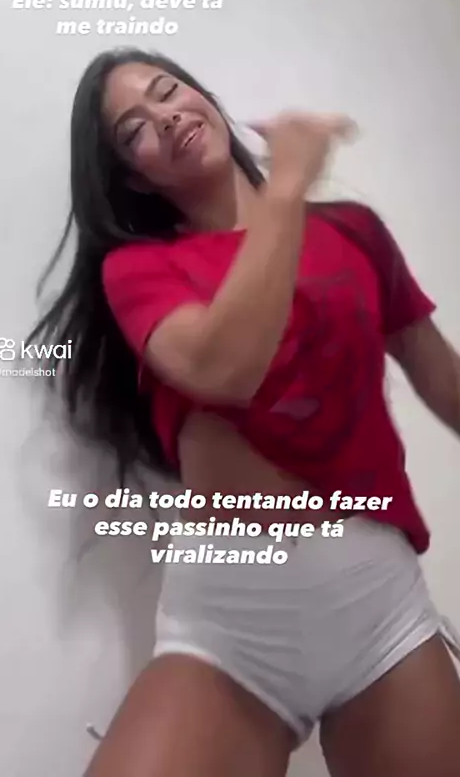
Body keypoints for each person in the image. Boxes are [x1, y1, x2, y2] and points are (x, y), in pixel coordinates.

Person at [28, 47, 460, 777]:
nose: (166, 116)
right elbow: (225, 370)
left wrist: (287, 196)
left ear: (202, 97)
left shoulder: (354, 231)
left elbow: (443, 378)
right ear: (134, 176)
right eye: (134, 129)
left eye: (168, 91)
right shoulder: (138, 271)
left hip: (379, 608)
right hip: (232, 632)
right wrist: (286, 185)